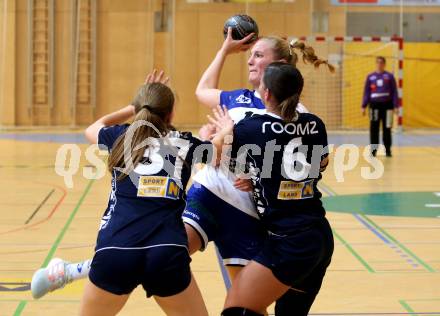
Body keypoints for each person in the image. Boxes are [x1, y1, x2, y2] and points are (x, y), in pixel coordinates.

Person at [31, 32, 332, 315]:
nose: (250, 60)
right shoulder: (238, 98)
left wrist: (247, 170)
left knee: (244, 303)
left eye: (258, 55)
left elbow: (293, 164)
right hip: (210, 191)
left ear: (278, 67)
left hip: (245, 209)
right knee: (164, 244)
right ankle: (72, 271)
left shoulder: (291, 111)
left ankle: (81, 269)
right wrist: (225, 50)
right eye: (250, 55)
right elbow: (202, 92)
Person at [74, 82, 232, 316]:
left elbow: (93, 128)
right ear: (171, 113)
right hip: (165, 251)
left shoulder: (120, 136)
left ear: (139, 109)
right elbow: (218, 150)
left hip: (116, 248)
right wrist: (225, 129)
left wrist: (131, 108)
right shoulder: (184, 143)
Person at [209, 62, 334, 316]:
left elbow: (213, 155)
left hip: (289, 241)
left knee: (238, 308)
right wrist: (261, 178)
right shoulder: (315, 124)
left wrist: (223, 130)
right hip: (319, 236)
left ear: (266, 94)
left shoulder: (251, 127)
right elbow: (321, 163)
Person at [362, 56, 398, 157]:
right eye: (378, 62)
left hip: (388, 106)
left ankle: (388, 150)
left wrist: (396, 106)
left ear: (384, 64)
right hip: (374, 106)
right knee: (374, 128)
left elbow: (394, 91)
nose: (379, 64)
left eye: (381, 62)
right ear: (376, 63)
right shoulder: (370, 77)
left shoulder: (389, 76)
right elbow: (366, 92)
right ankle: (373, 150)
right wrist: (363, 105)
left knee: (387, 128)